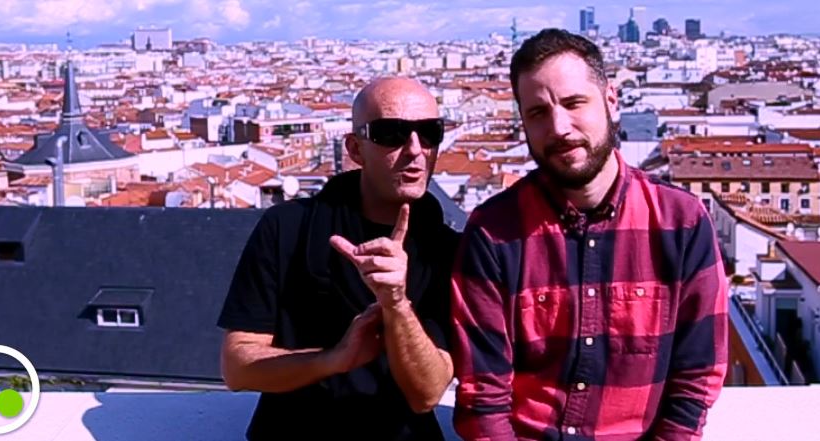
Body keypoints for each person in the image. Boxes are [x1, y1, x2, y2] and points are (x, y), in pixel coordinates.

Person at [449, 29, 729, 440]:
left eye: (573, 103)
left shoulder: (680, 222)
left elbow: (696, 378)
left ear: (611, 100)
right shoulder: (493, 232)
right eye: (538, 113)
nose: (559, 127)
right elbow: (482, 396)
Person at [217, 77, 458, 440]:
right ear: (355, 149)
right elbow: (237, 368)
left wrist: (396, 304)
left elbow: (427, 393)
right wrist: (332, 359)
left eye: (429, 133)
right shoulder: (287, 229)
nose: (415, 149)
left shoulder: (448, 250)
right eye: (391, 133)